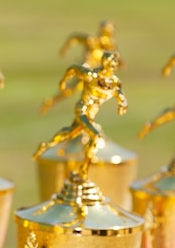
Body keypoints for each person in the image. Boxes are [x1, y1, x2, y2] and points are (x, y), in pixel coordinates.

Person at [34, 51, 128, 179]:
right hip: (82, 110)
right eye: (111, 65)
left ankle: (46, 145)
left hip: (92, 114)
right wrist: (63, 82)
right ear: (105, 65)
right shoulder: (92, 75)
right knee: (95, 135)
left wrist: (122, 105)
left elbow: (120, 95)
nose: (114, 68)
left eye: (115, 66)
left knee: (71, 132)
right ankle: (84, 169)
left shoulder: (115, 82)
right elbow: (73, 69)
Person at [41, 20, 121, 114]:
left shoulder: (111, 45)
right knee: (73, 89)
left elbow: (114, 57)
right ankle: (52, 101)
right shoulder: (94, 40)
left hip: (98, 72)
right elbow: (75, 37)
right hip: (87, 68)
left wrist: (120, 62)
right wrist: (65, 48)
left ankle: (85, 111)